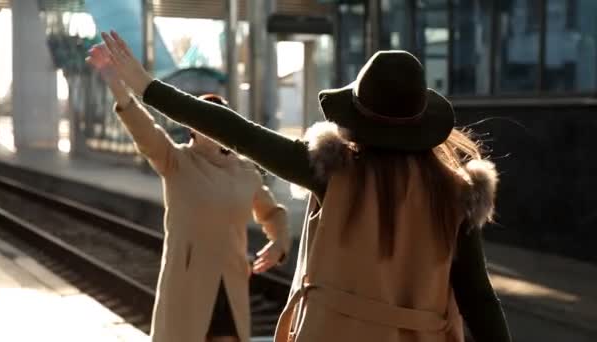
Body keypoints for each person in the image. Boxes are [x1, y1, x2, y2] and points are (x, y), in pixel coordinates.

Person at [98, 31, 512, 342]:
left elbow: (239, 132)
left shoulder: (332, 172)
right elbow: (479, 297)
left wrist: (146, 86)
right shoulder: (457, 194)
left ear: (357, 116)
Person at [86, 44, 291, 342]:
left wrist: (279, 243)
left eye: (219, 122)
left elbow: (272, 213)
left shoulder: (245, 171)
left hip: (230, 282)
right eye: (203, 122)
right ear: (192, 129)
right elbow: (145, 130)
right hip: (187, 284)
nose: (212, 129)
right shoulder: (177, 160)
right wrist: (115, 83)